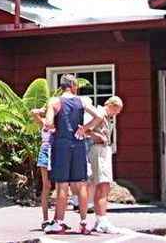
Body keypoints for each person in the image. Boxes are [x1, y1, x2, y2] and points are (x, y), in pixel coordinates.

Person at [43, 74, 105, 235]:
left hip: (62, 144)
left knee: (62, 185)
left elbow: (48, 122)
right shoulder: (82, 101)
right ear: (73, 85)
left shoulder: (54, 101)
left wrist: (49, 126)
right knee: (81, 184)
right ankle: (84, 223)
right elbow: (99, 116)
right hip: (78, 143)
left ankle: (59, 222)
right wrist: (84, 129)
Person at [87, 96, 124, 233]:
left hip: (104, 150)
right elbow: (86, 130)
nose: (118, 113)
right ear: (112, 105)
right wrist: (99, 137)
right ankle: (102, 220)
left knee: (105, 185)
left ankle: (100, 219)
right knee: (103, 185)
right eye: (117, 109)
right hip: (99, 150)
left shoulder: (107, 116)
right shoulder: (101, 113)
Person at [31, 107, 54, 230]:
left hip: (57, 151)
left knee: (61, 185)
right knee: (47, 186)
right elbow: (33, 113)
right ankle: (45, 219)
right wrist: (43, 110)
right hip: (45, 150)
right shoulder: (45, 122)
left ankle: (57, 219)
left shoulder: (60, 122)